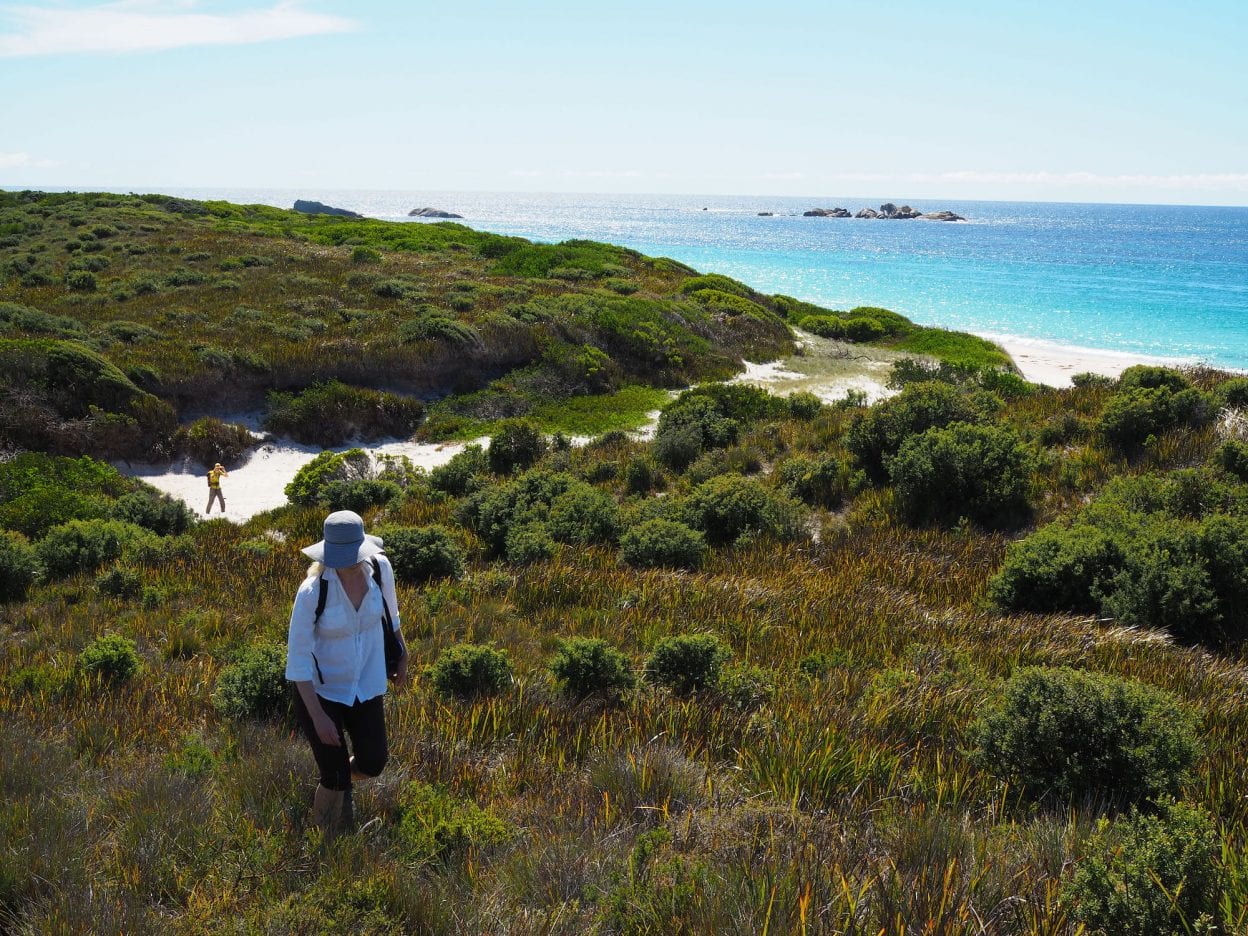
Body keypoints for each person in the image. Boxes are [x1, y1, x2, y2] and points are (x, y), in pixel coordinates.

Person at [286, 510, 408, 837]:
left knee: (373, 762)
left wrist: (402, 653)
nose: (348, 564)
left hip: (366, 684)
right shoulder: (313, 591)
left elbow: (391, 616)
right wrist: (318, 717)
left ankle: (340, 782)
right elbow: (297, 659)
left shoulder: (380, 570)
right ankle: (323, 840)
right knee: (334, 775)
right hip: (320, 692)